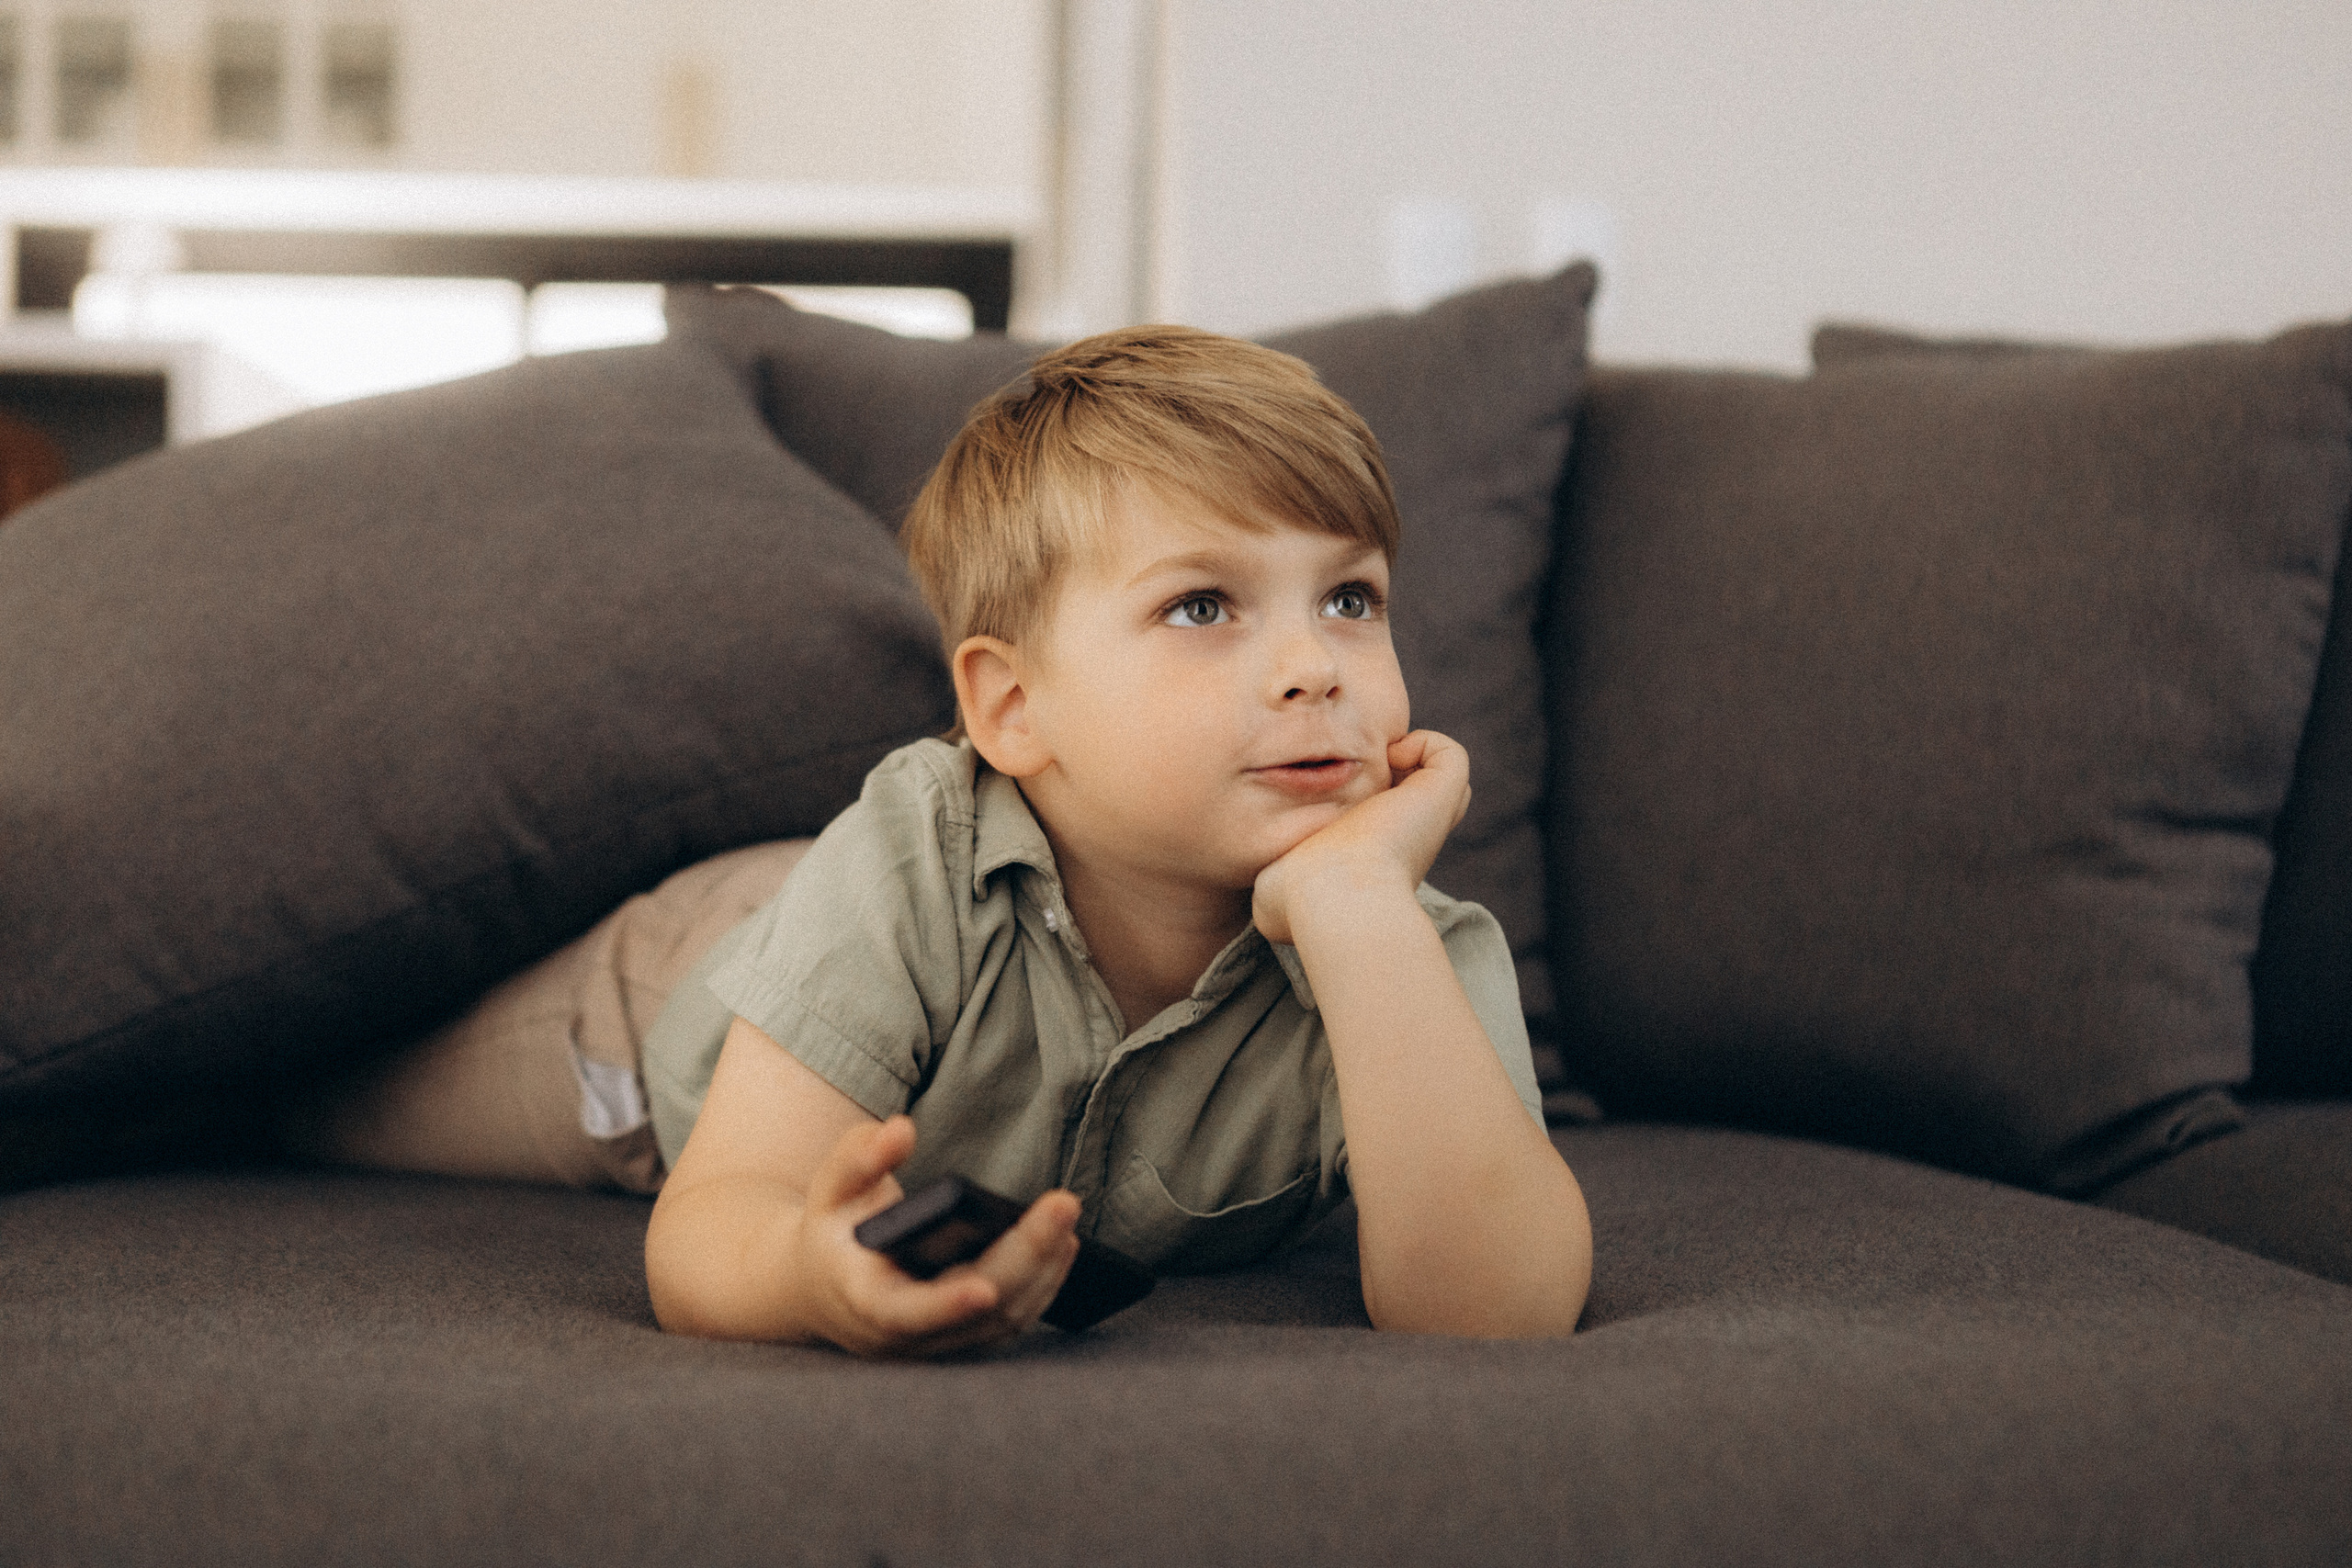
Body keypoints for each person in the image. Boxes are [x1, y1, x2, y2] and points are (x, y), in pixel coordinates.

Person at [282, 325, 1592, 1357]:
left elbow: (1498, 1310)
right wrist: (803, 1271)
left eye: (1351, 598)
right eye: (1204, 606)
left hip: (864, 933)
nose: (1316, 668)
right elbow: (719, 1219)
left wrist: (1361, 907)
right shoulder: (916, 849)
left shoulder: (1405, 939)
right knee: (319, 1094)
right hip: (674, 994)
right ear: (1012, 709)